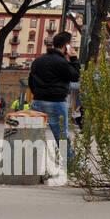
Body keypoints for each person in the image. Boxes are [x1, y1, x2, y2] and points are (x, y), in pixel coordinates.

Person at [27, 31, 79, 168]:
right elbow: (75, 76)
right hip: (56, 102)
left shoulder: (38, 61)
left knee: (33, 135)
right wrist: (73, 59)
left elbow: (31, 81)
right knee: (61, 136)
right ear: (66, 45)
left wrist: (38, 94)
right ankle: (70, 164)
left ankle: (29, 164)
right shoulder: (61, 62)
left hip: (37, 101)